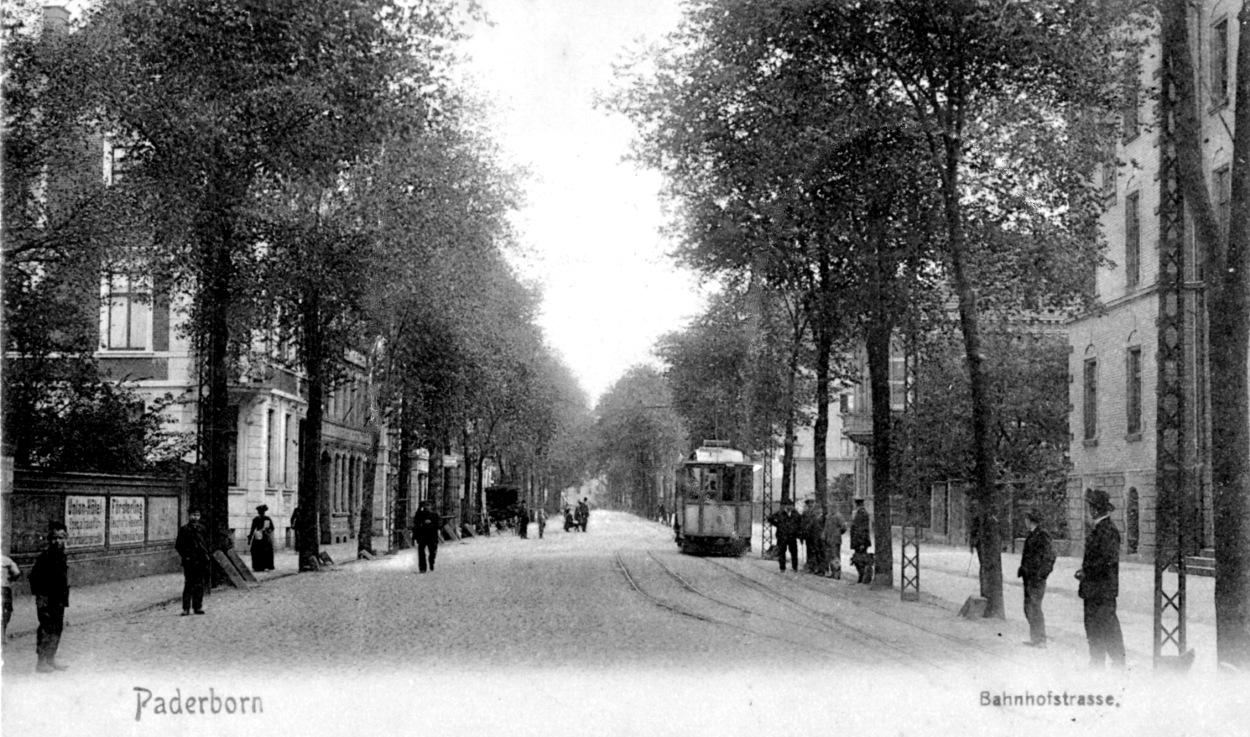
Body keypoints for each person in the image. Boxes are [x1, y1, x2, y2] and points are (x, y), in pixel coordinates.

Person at [1076, 488, 1125, 668]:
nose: (1089, 510)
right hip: (1095, 588)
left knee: (1107, 626)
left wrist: (1086, 572)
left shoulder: (1107, 530)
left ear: (1096, 509)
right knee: (1093, 627)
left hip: (1102, 589)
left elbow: (1106, 561)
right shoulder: (1100, 529)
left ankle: (1118, 662)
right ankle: (1097, 662)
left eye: (1091, 507)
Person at [28, 523, 69, 672]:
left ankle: (51, 659)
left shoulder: (62, 556)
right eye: (54, 538)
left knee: (57, 629)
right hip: (46, 599)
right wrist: (41, 600)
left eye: (60, 538)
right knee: (46, 628)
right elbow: (33, 578)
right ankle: (41, 662)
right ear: (49, 539)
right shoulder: (45, 557)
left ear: (66, 538)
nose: (57, 541)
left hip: (59, 599)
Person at [1019, 509, 1056, 648]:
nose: (1024, 522)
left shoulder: (1042, 534)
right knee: (1028, 607)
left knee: (1034, 607)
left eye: (1026, 519)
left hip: (1037, 578)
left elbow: (1050, 556)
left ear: (1031, 520)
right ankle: (1035, 638)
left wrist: (1042, 574)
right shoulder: (1032, 534)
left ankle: (1040, 640)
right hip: (1028, 577)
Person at [175, 509, 210, 616]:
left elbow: (206, 543)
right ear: (189, 516)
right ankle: (186, 608)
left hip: (201, 560)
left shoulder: (202, 529)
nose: (195, 517)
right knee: (189, 584)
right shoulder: (184, 529)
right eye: (193, 515)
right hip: (189, 561)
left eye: (197, 515)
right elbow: (178, 545)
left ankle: (197, 607)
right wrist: (186, 556)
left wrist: (205, 555)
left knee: (199, 584)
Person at [768, 499, 802, 572]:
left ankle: (795, 568)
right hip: (782, 536)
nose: (790, 507)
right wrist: (778, 525)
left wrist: (797, 531)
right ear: (785, 506)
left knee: (794, 552)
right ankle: (782, 568)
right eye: (788, 505)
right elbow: (770, 518)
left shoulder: (795, 514)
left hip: (792, 536)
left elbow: (800, 522)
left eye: (791, 505)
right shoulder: (780, 513)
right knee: (782, 552)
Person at [412, 500, 442, 573]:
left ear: (431, 507)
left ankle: (431, 562)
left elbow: (439, 524)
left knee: (432, 551)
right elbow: (416, 524)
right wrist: (422, 522)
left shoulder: (435, 514)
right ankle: (422, 568)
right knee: (421, 551)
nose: (426, 507)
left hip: (432, 535)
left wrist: (432, 524)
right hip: (422, 535)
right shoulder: (419, 514)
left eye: (428, 506)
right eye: (425, 506)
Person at [850, 498, 872, 584]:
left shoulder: (862, 513)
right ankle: (862, 576)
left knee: (860, 560)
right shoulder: (860, 513)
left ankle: (863, 577)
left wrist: (862, 542)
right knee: (858, 559)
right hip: (858, 541)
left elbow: (863, 529)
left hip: (860, 541)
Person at [822, 507, 848, 579]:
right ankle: (833, 572)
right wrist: (824, 535)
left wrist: (838, 533)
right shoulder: (828, 516)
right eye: (830, 507)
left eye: (833, 507)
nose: (831, 509)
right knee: (830, 556)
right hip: (828, 539)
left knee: (836, 556)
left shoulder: (839, 516)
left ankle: (837, 573)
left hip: (835, 540)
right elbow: (826, 527)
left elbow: (843, 527)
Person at [248, 505, 275, 572]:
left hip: (262, 537)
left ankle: (262, 566)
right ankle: (259, 566)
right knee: (259, 551)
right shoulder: (257, 519)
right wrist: (250, 537)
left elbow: (272, 528)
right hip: (260, 537)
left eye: (262, 512)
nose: (261, 513)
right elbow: (252, 529)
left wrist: (268, 531)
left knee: (262, 551)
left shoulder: (267, 519)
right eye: (260, 512)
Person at [801, 499, 824, 573]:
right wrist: (802, 534)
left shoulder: (817, 512)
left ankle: (816, 567)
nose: (810, 505)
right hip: (808, 535)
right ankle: (810, 566)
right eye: (809, 504)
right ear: (807, 505)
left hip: (816, 535)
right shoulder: (805, 513)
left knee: (816, 550)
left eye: (812, 503)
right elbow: (802, 524)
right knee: (809, 550)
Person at [2, 552, 21, 639]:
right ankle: (2, 633)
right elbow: (17, 573)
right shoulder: (7, 560)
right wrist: (10, 579)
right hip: (4, 588)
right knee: (6, 610)